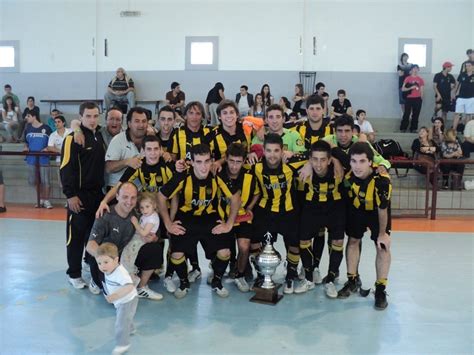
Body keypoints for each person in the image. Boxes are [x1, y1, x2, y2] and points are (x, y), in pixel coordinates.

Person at [158, 144, 241, 298]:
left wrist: (229, 224)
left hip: (210, 217)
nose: (204, 166)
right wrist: (168, 223)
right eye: (199, 162)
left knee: (225, 251)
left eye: (207, 161)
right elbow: (161, 196)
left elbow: (235, 198)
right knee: (176, 254)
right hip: (186, 217)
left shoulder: (217, 174)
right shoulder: (183, 175)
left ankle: (217, 280)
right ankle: (183, 282)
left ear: (212, 161)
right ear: (192, 162)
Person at [337, 142, 392, 310]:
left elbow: (382, 209)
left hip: (377, 213)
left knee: (382, 246)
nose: (357, 166)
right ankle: (353, 280)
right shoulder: (347, 178)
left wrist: (382, 234)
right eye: (354, 161)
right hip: (357, 209)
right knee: (353, 240)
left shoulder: (381, 181)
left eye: (362, 161)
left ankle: (381, 288)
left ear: (370, 162)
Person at [87, 182, 164, 300]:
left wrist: (154, 237)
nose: (129, 201)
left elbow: (153, 230)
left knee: (155, 249)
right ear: (117, 196)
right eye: (125, 197)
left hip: (125, 257)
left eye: (133, 197)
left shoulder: (138, 214)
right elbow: (90, 245)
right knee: (116, 299)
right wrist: (108, 260)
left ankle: (141, 287)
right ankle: (96, 279)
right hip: (108, 260)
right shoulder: (105, 214)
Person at [250, 133, 306, 293]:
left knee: (295, 244)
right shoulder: (256, 166)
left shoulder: (292, 164)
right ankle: (261, 273)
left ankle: (291, 274)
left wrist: (300, 159)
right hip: (265, 211)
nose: (272, 155)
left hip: (288, 212)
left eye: (276, 151)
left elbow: (313, 153)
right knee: (255, 242)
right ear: (264, 151)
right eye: (269, 151)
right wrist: (249, 153)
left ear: (282, 151)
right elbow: (233, 162)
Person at [60, 101, 106, 289]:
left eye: (95, 115)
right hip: (79, 197)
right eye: (88, 116)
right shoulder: (73, 138)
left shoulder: (99, 136)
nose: (92, 119)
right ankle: (74, 273)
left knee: (93, 236)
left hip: (98, 196)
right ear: (81, 117)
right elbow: (65, 168)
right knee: (76, 237)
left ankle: (90, 265)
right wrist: (70, 195)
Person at [294, 140, 346, 298]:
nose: (318, 164)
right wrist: (306, 163)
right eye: (315, 159)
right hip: (312, 206)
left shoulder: (338, 166)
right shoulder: (305, 164)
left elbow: (352, 158)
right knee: (303, 241)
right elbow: (286, 158)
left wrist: (336, 159)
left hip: (335, 207)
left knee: (337, 242)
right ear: (310, 159)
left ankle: (330, 280)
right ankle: (308, 279)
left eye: (323, 160)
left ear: (329, 160)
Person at [216, 143, 260, 292]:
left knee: (244, 246)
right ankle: (218, 273)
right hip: (224, 218)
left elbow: (257, 192)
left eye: (238, 162)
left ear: (244, 161)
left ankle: (240, 275)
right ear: (226, 159)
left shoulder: (250, 175)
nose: (234, 166)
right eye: (232, 161)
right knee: (223, 249)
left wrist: (249, 207)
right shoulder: (219, 174)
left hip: (242, 218)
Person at [95, 243, 138, 355]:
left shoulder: (120, 273)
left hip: (127, 300)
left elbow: (129, 286)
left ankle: (123, 344)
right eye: (99, 263)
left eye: (106, 262)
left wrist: (115, 296)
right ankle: (131, 328)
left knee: (121, 323)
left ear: (116, 260)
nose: (102, 266)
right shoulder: (109, 270)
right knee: (127, 317)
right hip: (122, 301)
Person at [121, 192, 161, 287]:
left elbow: (144, 233)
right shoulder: (149, 215)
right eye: (142, 208)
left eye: (147, 206)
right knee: (126, 252)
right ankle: (129, 273)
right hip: (138, 236)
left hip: (141, 238)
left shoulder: (152, 218)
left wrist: (135, 223)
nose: (144, 210)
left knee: (129, 253)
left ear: (154, 205)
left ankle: (132, 274)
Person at [105, 107, 148, 188]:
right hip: (117, 190)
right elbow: (108, 168)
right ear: (129, 124)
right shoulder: (118, 140)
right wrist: (127, 162)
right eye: (137, 121)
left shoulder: (151, 139)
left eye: (144, 121)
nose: (141, 125)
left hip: (142, 191)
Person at [207, 100, 251, 171]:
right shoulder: (212, 135)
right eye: (225, 113)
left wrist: (253, 152)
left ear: (237, 115)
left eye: (232, 112)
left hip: (246, 173)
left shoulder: (246, 128)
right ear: (219, 116)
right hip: (222, 174)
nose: (229, 116)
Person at [23, 110, 53, 209]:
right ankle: (40, 199)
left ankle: (46, 200)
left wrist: (47, 148)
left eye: (28, 116)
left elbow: (51, 143)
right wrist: (26, 147)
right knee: (35, 181)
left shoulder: (46, 128)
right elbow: (25, 142)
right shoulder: (28, 128)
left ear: (34, 116)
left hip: (43, 159)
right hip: (31, 159)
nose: (26, 118)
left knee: (46, 181)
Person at [400, 64, 424, 133]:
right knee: (406, 113)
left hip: (418, 99)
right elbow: (403, 89)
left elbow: (422, 90)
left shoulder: (420, 79)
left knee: (416, 114)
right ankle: (403, 128)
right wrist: (411, 88)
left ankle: (413, 128)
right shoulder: (408, 78)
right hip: (409, 98)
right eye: (414, 68)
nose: (415, 70)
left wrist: (421, 98)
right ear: (411, 70)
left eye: (417, 68)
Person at [453, 61, 474, 131]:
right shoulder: (462, 74)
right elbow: (458, 84)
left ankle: (467, 131)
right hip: (461, 97)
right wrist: (454, 93)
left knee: (469, 114)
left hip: (471, 97)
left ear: (473, 66)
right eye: (466, 66)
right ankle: (453, 130)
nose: (467, 67)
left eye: (469, 66)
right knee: (457, 113)